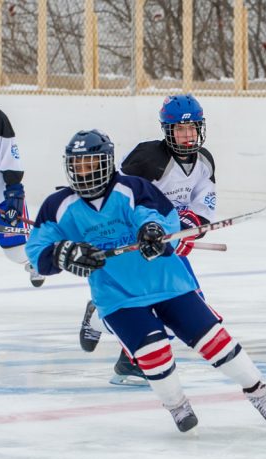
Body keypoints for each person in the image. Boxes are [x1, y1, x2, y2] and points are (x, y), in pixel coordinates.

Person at [26, 129, 266, 433]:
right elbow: (37, 250)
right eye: (78, 165)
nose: (84, 172)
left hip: (168, 284)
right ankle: (177, 405)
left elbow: (160, 217)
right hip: (117, 297)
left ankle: (258, 392)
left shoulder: (132, 188)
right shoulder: (59, 205)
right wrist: (62, 253)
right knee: (153, 350)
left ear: (107, 162)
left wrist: (153, 232)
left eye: (91, 163)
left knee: (213, 339)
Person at [78, 94, 216, 386]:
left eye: (192, 128)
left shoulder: (204, 161)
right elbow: (116, 195)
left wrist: (188, 228)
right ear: (167, 130)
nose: (187, 135)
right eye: (180, 129)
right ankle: (108, 328)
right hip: (136, 245)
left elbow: (203, 205)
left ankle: (120, 348)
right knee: (144, 307)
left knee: (187, 309)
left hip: (166, 248)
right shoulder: (147, 158)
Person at [0, 107, 45, 287]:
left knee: (16, 252)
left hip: (0, 199)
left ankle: (34, 258)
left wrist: (14, 193)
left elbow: (9, 156)